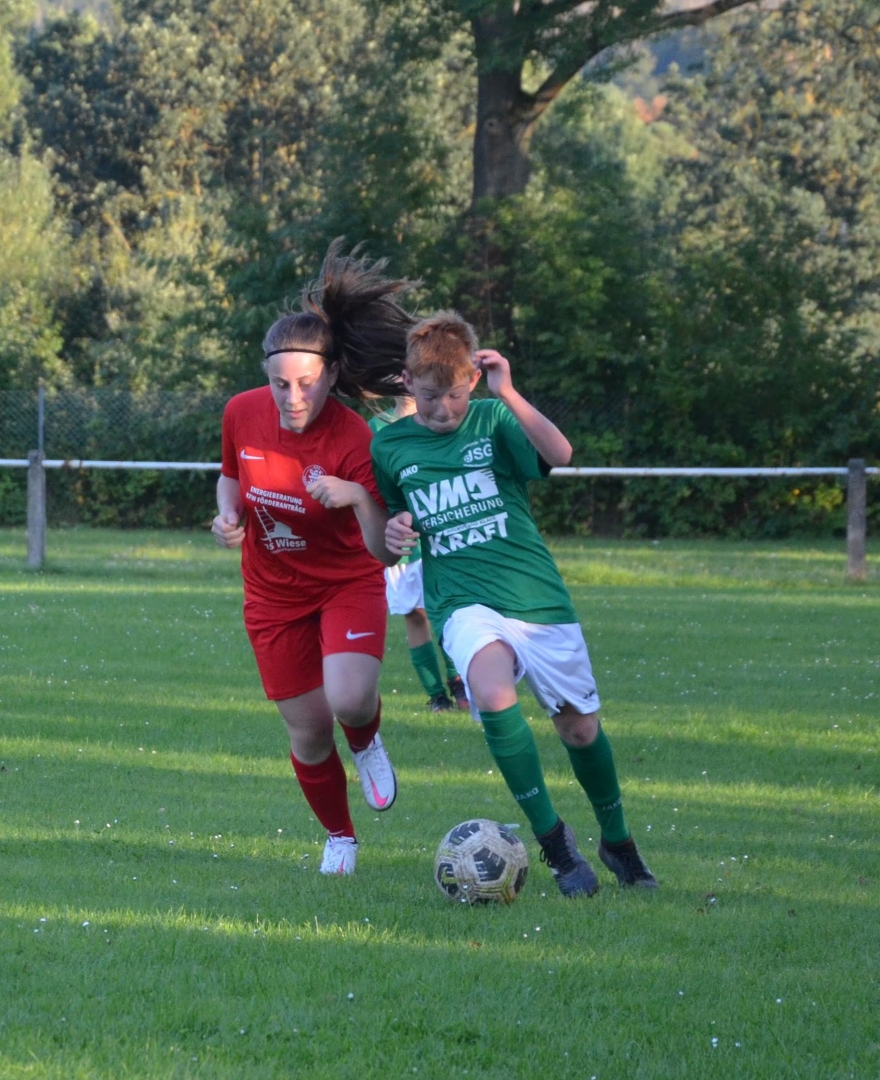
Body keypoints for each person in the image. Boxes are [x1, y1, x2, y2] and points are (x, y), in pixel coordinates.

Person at [370, 311, 657, 896]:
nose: (442, 410)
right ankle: (555, 844)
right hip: (461, 601)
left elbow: (561, 453)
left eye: (454, 395)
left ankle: (618, 841)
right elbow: (388, 531)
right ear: (407, 382)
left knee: (579, 730)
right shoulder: (390, 444)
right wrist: (393, 530)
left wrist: (508, 391)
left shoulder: (494, 417)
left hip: (535, 597)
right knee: (493, 693)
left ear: (472, 381)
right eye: (429, 397)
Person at [211, 240, 413, 876]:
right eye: (279, 384)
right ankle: (340, 837)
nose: (291, 397)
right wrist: (228, 516)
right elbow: (229, 475)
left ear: (329, 374)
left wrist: (357, 496)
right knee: (308, 730)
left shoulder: (354, 438)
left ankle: (368, 740)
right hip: (272, 595)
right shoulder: (241, 413)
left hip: (346, 581)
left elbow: (380, 549)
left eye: (304, 383)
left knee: (348, 701)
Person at [369, 397, 470, 714]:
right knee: (415, 615)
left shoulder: (441, 419)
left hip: (439, 534)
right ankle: (436, 694)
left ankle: (458, 679)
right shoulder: (376, 427)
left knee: (448, 611)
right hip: (402, 541)